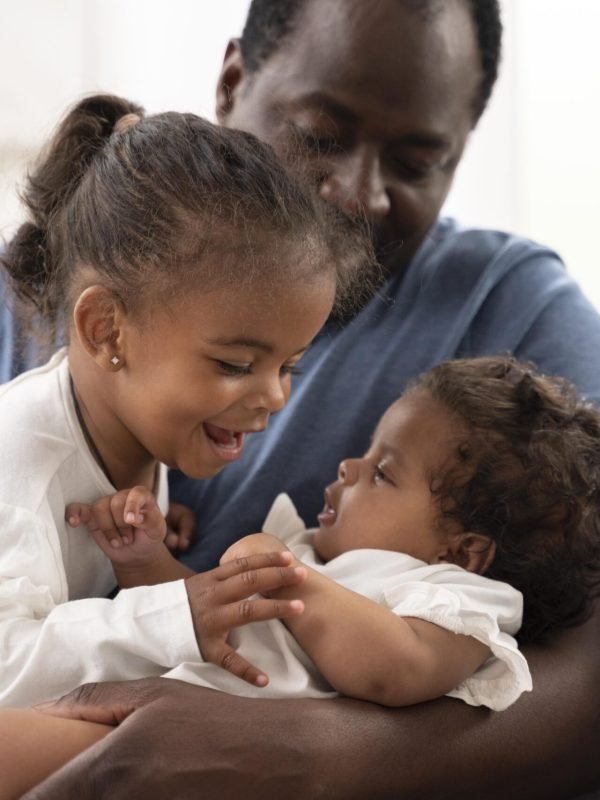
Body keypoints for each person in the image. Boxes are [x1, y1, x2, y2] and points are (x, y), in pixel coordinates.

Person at [11, 1, 600, 798]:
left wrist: (318, 756)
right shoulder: (55, 308)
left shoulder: (511, 309)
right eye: (321, 135)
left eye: (418, 161)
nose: (360, 194)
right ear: (232, 83)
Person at [7, 355, 600, 799]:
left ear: (465, 550)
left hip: (187, 753)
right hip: (141, 704)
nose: (348, 466)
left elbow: (400, 670)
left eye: (382, 474)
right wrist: (145, 563)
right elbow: (211, 618)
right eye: (365, 454)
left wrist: (289, 578)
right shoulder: (319, 559)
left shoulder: (458, 598)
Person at [0, 91, 374, 712]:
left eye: (289, 366)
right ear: (106, 331)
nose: (274, 397)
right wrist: (173, 618)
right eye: (234, 365)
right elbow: (8, 670)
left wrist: (144, 548)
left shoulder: (131, 424)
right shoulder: (19, 468)